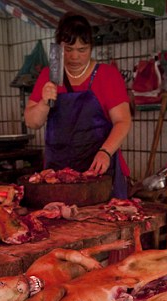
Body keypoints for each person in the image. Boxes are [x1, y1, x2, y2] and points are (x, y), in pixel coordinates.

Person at [25, 13, 132, 198]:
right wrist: (43, 102)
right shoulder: (49, 75)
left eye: (82, 49)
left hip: (99, 171)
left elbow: (123, 121)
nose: (75, 56)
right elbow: (32, 122)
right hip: (57, 175)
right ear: (59, 47)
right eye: (68, 49)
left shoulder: (107, 75)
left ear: (91, 47)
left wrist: (105, 152)